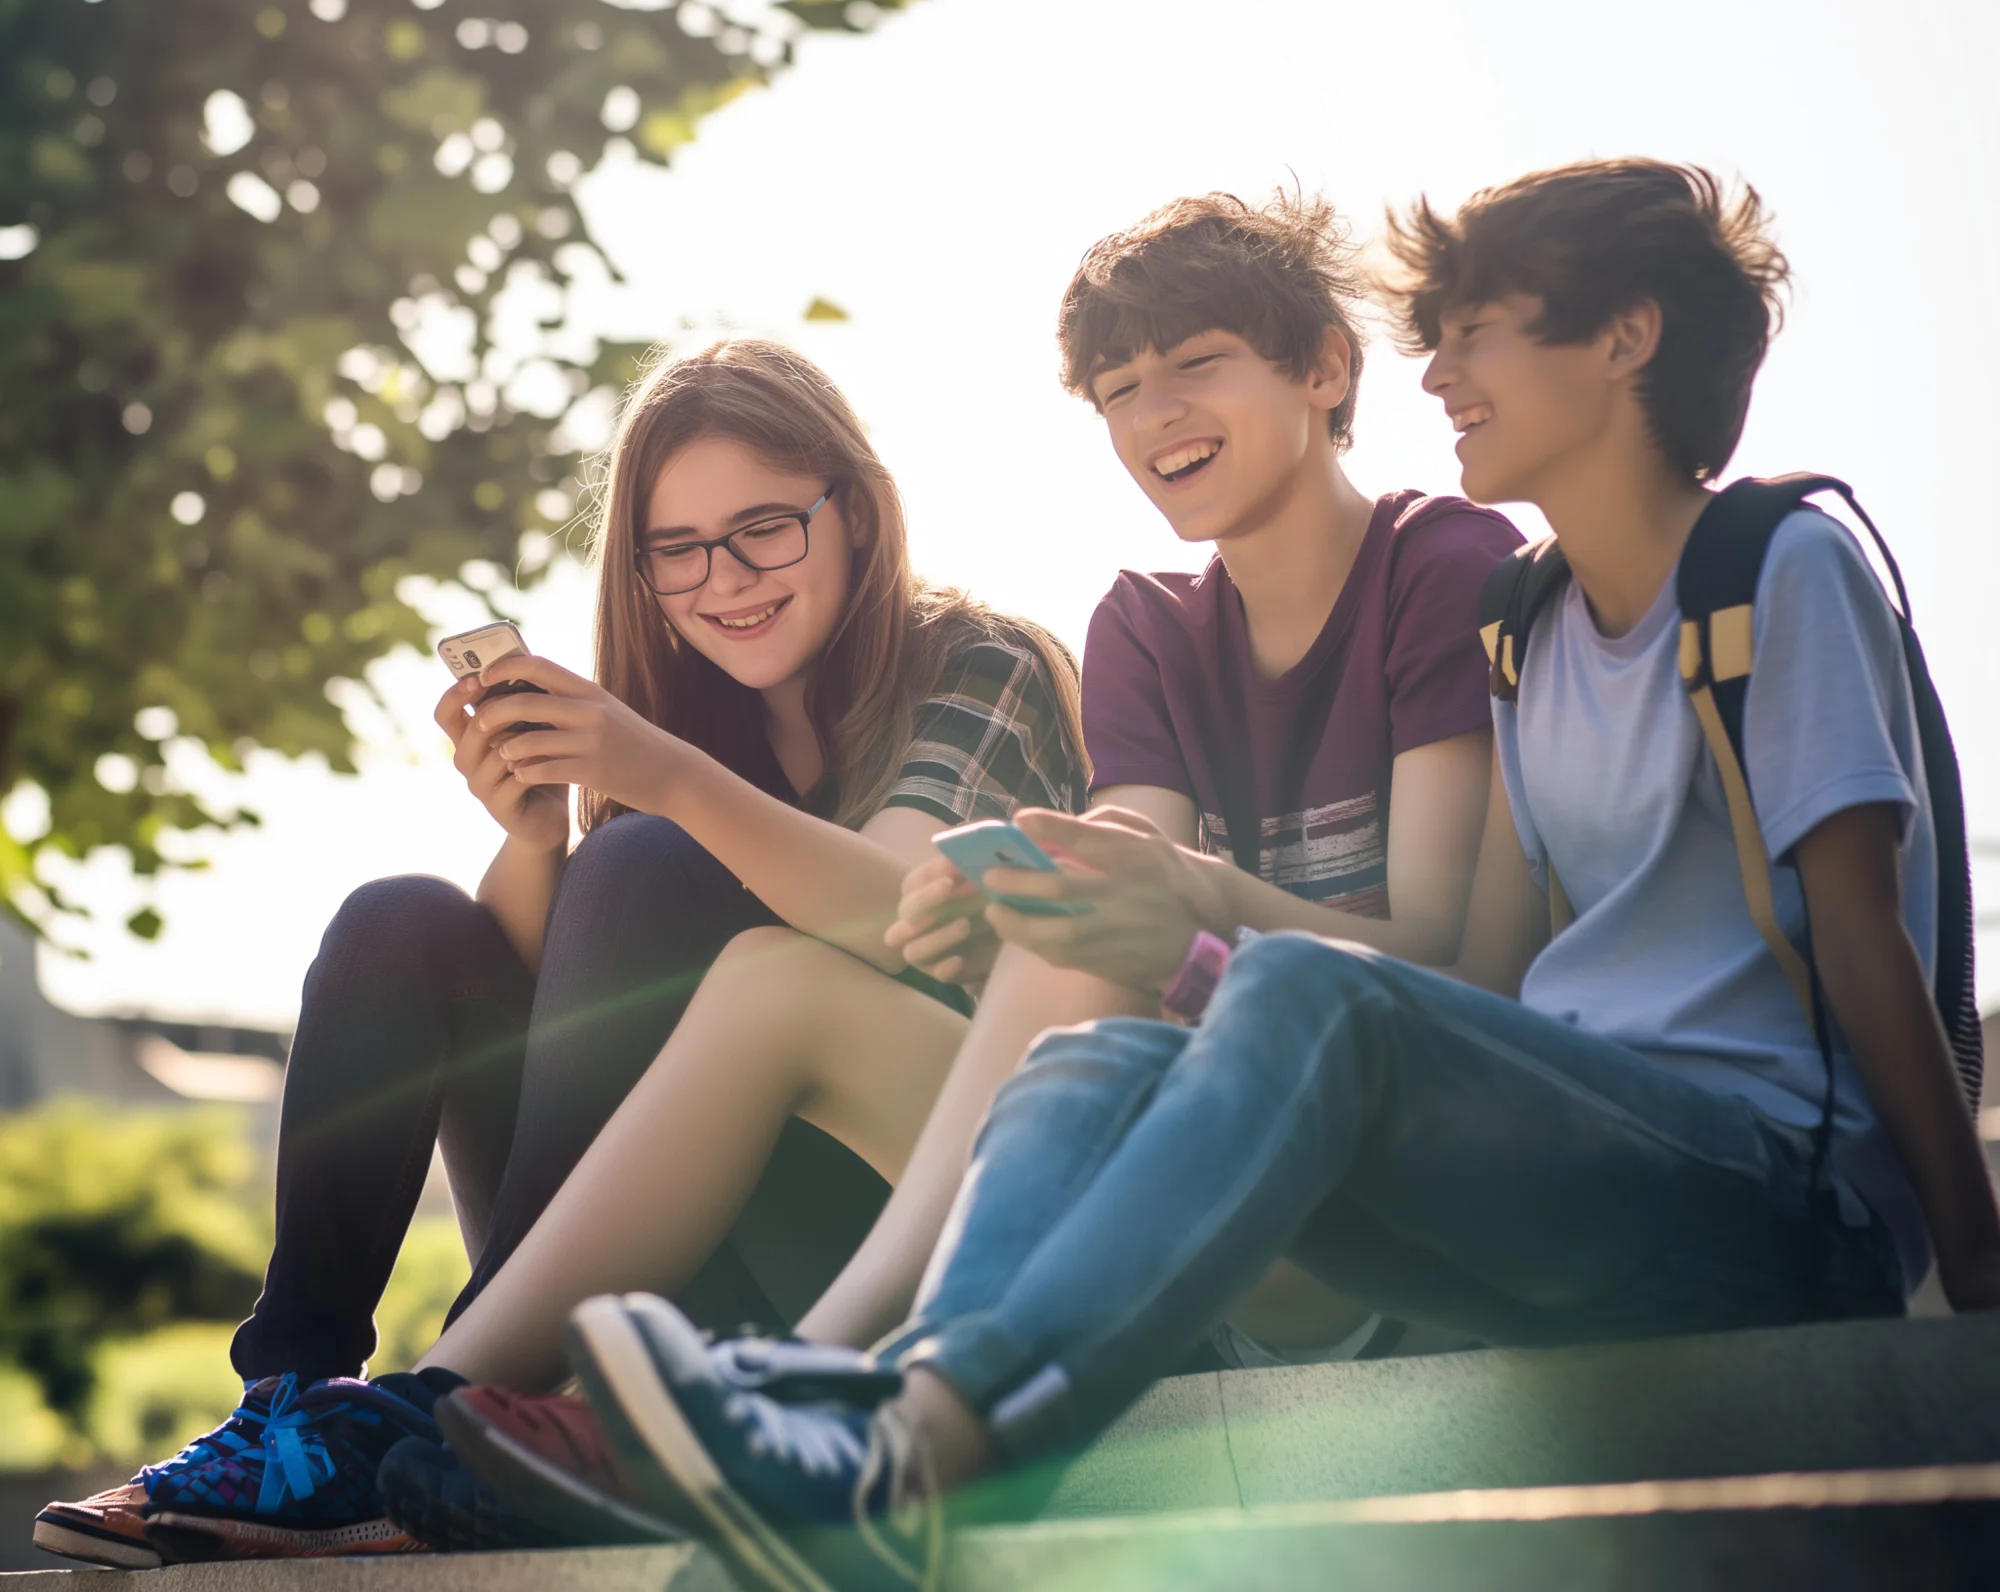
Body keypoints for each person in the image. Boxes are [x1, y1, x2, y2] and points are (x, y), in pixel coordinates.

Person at [537, 162, 2000, 1592]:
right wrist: (1075, 909)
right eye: (1118, 389)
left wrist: (1974, 1273)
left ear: (1626, 339)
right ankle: (863, 1402)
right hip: (1567, 1160)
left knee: (1297, 984)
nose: (1438, 375)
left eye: (1480, 330)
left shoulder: (1776, 567)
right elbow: (1489, 984)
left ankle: (924, 1440)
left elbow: (1867, 945)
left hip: (1773, 1196)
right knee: (1092, 1069)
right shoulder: (1526, 631)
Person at [434, 188, 1522, 1538]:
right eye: (1121, 389)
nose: (1158, 415)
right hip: (1136, 1166)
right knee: (770, 978)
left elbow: (1453, 963)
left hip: (1339, 1207)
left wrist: (1170, 902)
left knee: (849, 928)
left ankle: (809, 1391)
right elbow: (1115, 919)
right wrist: (998, 912)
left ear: (1326, 368)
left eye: (1197, 366)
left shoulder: (1445, 566)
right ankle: (424, 1407)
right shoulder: (1146, 627)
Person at [33, 338, 1087, 1570]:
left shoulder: (975, 662)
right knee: (404, 918)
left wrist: (664, 784)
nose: (723, 578)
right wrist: (536, 840)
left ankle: (410, 1419)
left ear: (853, 511)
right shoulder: (693, 715)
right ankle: (293, 1405)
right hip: (653, 1248)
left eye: (763, 529)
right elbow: (579, 1024)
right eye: (676, 547)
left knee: (645, 860)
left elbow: (903, 909)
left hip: (898, 1232)